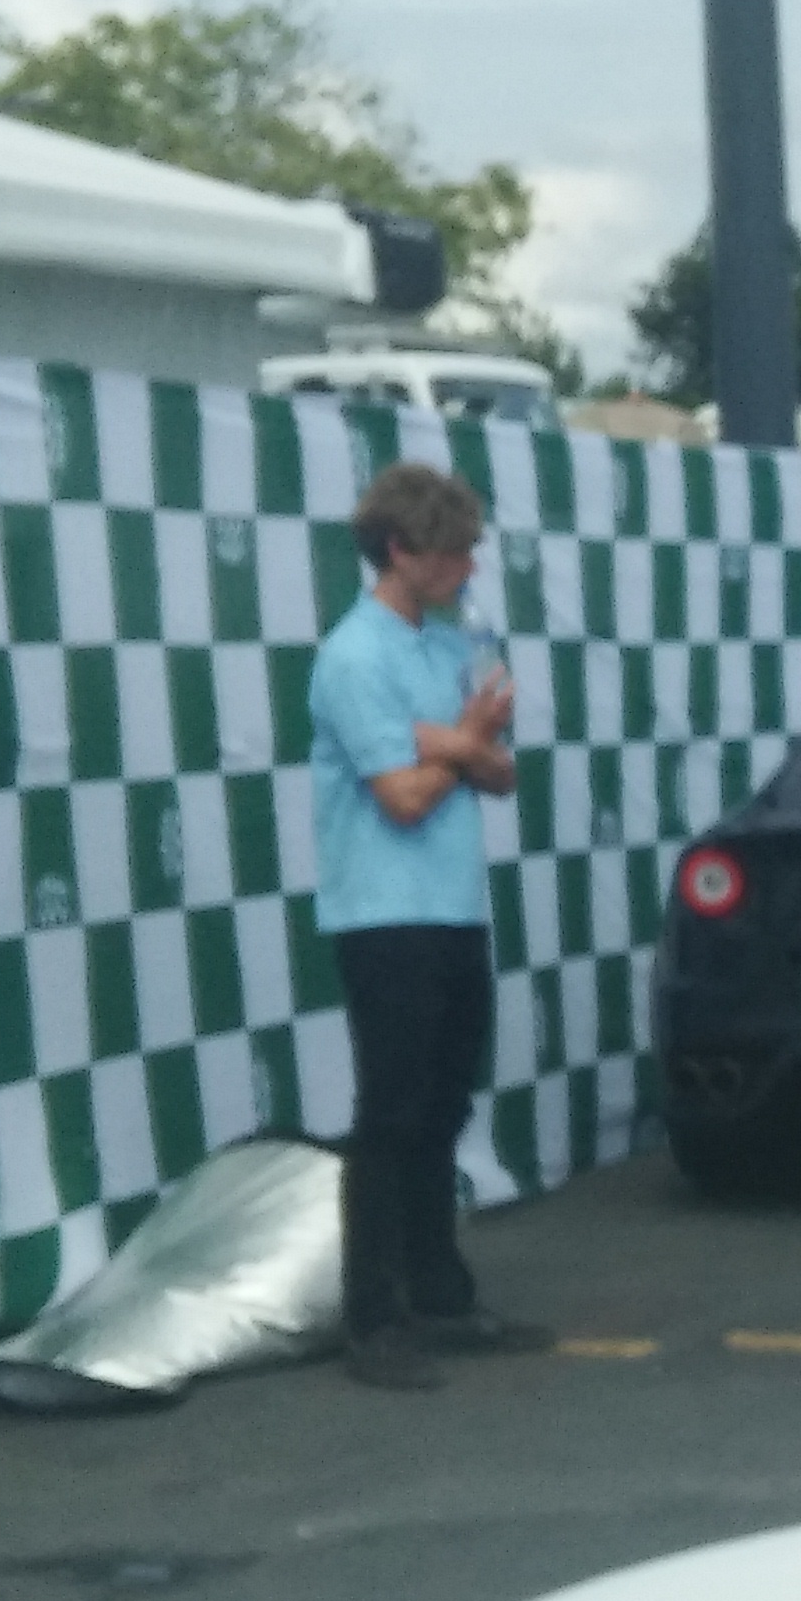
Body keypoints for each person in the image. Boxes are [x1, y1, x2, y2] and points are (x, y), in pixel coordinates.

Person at [308, 463, 553, 1391]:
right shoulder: (352, 656)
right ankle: (373, 1317)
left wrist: (445, 739)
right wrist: (464, 740)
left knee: (445, 1105)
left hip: (453, 907)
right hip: (382, 911)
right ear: (402, 551)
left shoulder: (451, 644)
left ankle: (439, 1294)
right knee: (392, 1114)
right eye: (452, 553)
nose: (466, 569)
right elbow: (403, 798)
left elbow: (504, 773)